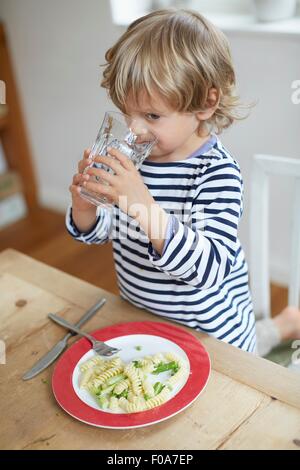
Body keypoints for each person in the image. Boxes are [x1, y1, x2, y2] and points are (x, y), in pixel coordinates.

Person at [66, 8, 257, 353]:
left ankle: (280, 325)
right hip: (145, 324)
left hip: (212, 339)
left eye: (152, 115)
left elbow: (209, 270)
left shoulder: (216, 173)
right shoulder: (133, 159)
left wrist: (141, 204)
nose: (135, 129)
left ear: (205, 103)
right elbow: (108, 230)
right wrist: (86, 209)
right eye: (128, 112)